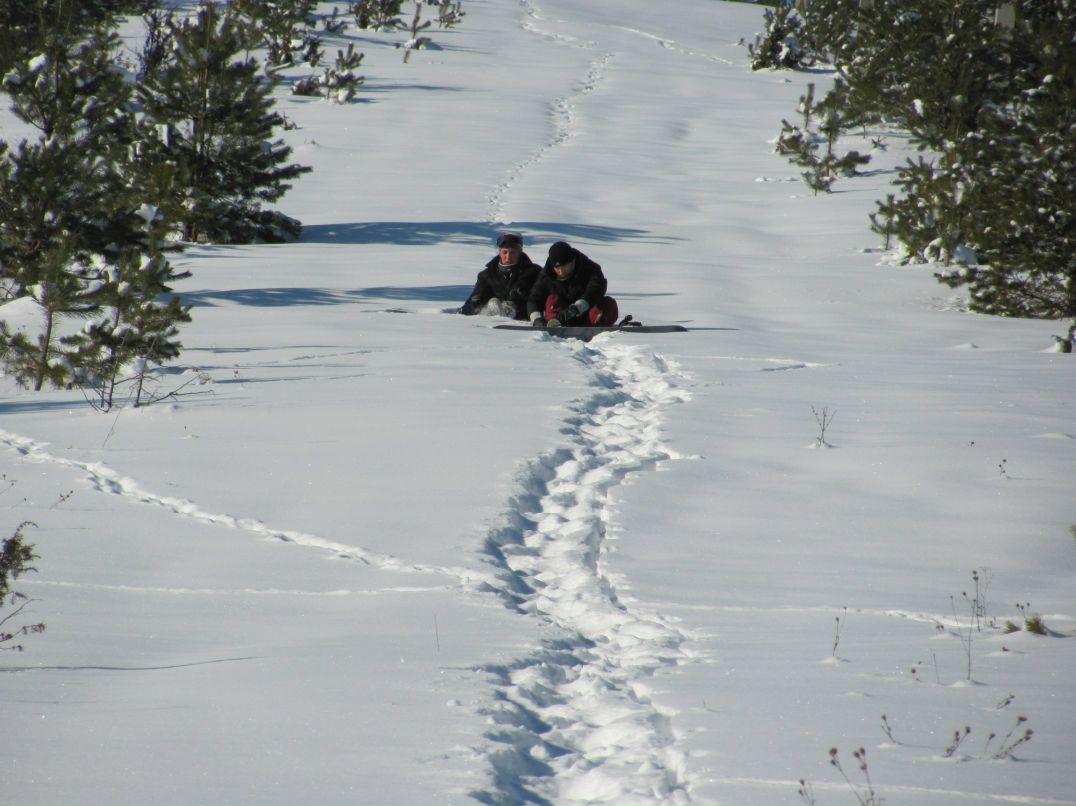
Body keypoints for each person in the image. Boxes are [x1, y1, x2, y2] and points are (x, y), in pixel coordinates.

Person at [527, 241, 619, 328]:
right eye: (557, 268)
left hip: (587, 314)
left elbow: (596, 288)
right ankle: (554, 328)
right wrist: (536, 318)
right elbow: (534, 298)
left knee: (608, 304)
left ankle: (598, 329)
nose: (561, 272)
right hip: (558, 319)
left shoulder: (590, 268)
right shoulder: (547, 274)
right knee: (552, 300)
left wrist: (580, 306)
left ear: (573, 261)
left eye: (565, 266)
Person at [458, 232, 540, 320]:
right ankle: (495, 312)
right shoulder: (487, 275)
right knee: (491, 303)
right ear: (499, 252)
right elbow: (476, 299)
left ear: (519, 253)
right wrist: (464, 312)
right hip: (492, 320)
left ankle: (507, 311)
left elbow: (540, 296)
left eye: (512, 253)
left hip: (524, 317)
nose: (508, 257)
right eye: (505, 252)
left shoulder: (534, 272)